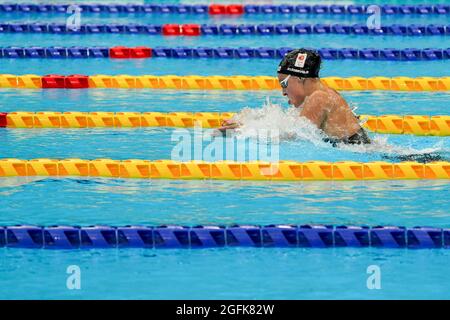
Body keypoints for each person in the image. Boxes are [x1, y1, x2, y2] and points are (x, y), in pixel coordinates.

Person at [218, 48, 371, 146]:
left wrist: (245, 130)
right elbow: (290, 126)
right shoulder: (324, 94)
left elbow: (294, 136)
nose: (283, 92)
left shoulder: (318, 97)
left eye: (284, 84)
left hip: (365, 154)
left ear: (299, 78)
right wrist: (249, 121)